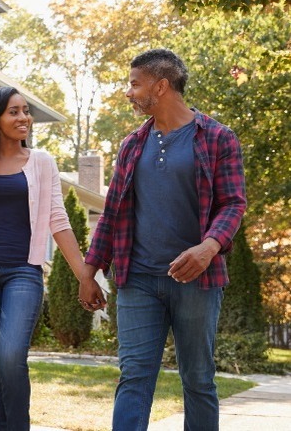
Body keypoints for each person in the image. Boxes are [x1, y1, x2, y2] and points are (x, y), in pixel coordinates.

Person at [80, 49, 247, 430]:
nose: (129, 92)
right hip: (138, 279)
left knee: (198, 378)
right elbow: (112, 213)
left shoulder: (218, 138)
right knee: (134, 377)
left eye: (134, 84)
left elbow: (233, 203)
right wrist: (90, 271)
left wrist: (209, 247)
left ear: (161, 85)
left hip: (198, 281)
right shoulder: (131, 145)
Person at [0, 86, 104, 430]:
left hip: (23, 271)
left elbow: (58, 219)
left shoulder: (42, 163)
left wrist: (86, 276)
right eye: (14, 111)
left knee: (11, 357)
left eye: (26, 110)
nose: (23, 117)